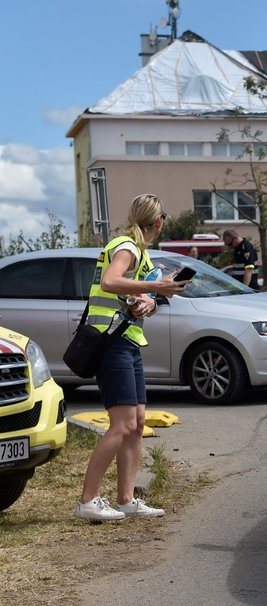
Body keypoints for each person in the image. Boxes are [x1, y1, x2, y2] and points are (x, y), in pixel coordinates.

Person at [75, 194, 191, 521]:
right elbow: (110, 281)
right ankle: (88, 500)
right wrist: (153, 290)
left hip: (128, 341)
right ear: (157, 223)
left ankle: (126, 499)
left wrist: (150, 302)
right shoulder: (125, 246)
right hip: (112, 343)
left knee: (137, 424)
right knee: (122, 424)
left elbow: (142, 298)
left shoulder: (141, 254)